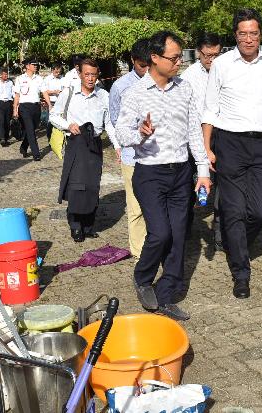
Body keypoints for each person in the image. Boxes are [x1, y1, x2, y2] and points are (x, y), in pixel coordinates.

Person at [115, 31, 211, 322]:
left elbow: (194, 130)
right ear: (154, 58)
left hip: (180, 172)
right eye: (173, 58)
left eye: (181, 56)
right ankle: (143, 277)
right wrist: (140, 135)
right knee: (160, 233)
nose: (178, 62)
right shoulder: (135, 94)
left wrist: (203, 170)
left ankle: (166, 294)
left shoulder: (184, 89)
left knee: (179, 236)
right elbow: (120, 133)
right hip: (150, 174)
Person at [201, 8, 262, 299]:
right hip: (230, 145)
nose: (248, 39)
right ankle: (241, 272)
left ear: (260, 35)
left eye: (253, 33)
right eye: (242, 33)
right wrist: (207, 149)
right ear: (235, 35)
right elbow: (210, 108)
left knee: (261, 211)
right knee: (234, 210)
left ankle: (235, 242)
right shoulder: (222, 64)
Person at [51, 58, 120, 242]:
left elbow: (109, 124)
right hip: (76, 143)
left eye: (93, 74)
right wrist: (67, 125)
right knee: (77, 186)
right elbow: (53, 116)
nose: (90, 78)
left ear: (98, 75)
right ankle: (75, 226)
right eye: (87, 74)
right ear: (79, 73)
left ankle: (88, 225)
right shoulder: (69, 93)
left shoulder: (103, 95)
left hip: (95, 144)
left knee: (92, 185)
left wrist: (117, 146)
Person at [108, 38, 150, 257]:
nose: (146, 70)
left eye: (149, 64)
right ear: (133, 61)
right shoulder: (121, 87)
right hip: (132, 157)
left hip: (156, 156)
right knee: (135, 209)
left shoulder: (162, 82)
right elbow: (116, 121)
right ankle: (139, 254)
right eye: (142, 65)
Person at [180, 32, 222, 241]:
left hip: (221, 135)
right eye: (207, 55)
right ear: (199, 53)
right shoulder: (188, 77)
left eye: (215, 54)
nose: (211, 60)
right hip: (195, 136)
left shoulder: (226, 70)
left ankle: (221, 233)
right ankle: (185, 228)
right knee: (189, 184)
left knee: (223, 186)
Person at [13, 60, 44, 161]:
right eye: (33, 64)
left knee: (31, 129)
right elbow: (17, 95)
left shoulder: (39, 78)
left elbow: (44, 92)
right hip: (24, 107)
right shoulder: (20, 79)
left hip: (36, 107)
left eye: (36, 64)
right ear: (27, 66)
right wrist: (15, 109)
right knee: (30, 129)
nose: (36, 66)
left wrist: (48, 103)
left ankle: (23, 147)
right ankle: (36, 153)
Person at [0, 68, 14, 146]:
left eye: (6, 74)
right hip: (0, 103)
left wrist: (15, 104)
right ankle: (2, 138)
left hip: (8, 103)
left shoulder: (10, 83)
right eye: (4, 74)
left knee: (7, 121)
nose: (6, 75)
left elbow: (13, 93)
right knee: (1, 121)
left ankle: (6, 137)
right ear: (0, 75)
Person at [42, 63, 64, 138]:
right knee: (50, 121)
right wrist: (54, 92)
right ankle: (49, 137)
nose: (58, 74)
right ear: (52, 70)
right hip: (51, 102)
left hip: (60, 102)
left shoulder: (62, 79)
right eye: (56, 72)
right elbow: (44, 91)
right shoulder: (47, 79)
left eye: (59, 72)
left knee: (60, 121)